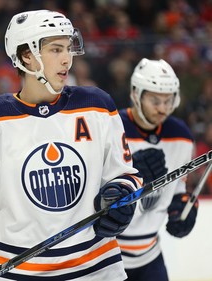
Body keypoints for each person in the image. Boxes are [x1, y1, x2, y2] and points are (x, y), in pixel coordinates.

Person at [0, 10, 142, 281]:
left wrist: (120, 193)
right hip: (19, 274)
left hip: (99, 270)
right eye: (55, 49)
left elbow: (125, 174)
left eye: (67, 48)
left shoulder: (97, 105)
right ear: (26, 55)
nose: (67, 58)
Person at [117, 58, 198, 281]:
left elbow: (178, 187)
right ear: (136, 93)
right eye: (155, 100)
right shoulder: (111, 128)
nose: (163, 108)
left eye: (168, 100)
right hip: (107, 256)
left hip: (150, 256)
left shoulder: (181, 135)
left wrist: (183, 206)